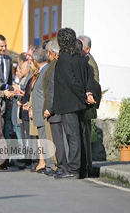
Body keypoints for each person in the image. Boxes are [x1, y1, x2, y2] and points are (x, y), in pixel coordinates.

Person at [53, 28, 97, 179]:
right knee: (80, 135)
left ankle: (73, 170)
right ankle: (82, 169)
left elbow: (71, 81)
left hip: (70, 103)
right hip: (80, 103)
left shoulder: (64, 58)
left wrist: (82, 96)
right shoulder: (81, 59)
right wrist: (87, 93)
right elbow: (89, 78)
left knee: (73, 136)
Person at [77, 35, 101, 178]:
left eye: (80, 46)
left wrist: (89, 94)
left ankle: (86, 167)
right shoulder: (83, 59)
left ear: (87, 48)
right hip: (84, 102)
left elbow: (94, 82)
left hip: (87, 104)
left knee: (85, 136)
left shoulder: (89, 62)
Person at [43, 40, 67, 177]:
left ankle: (62, 166)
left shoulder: (56, 66)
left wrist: (49, 108)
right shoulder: (59, 65)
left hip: (56, 109)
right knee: (60, 139)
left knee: (58, 139)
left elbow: (52, 89)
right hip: (60, 108)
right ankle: (62, 165)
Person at [30, 48, 55, 174]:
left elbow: (46, 93)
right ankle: (48, 165)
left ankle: (50, 165)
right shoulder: (44, 70)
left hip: (43, 112)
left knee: (46, 139)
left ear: (34, 61)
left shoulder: (45, 71)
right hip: (40, 112)